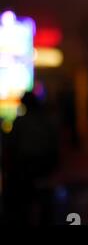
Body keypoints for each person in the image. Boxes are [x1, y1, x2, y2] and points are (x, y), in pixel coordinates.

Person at [3, 92, 59, 225]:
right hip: (44, 165)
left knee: (20, 200)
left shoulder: (20, 122)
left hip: (25, 167)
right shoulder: (46, 121)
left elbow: (10, 145)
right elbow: (54, 145)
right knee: (44, 201)